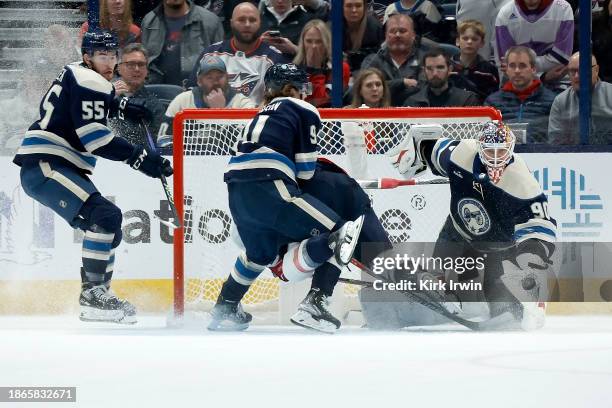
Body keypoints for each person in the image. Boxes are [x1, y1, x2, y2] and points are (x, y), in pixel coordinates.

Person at [12, 30, 173, 324]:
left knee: (110, 227)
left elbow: (79, 108)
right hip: (47, 163)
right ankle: (93, 294)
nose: (109, 62)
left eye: (113, 56)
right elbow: (94, 137)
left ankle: (100, 296)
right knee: (105, 214)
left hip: (56, 163)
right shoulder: (90, 80)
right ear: (88, 57)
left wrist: (123, 106)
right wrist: (141, 158)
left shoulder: (77, 73)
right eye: (102, 55)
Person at [208, 63, 365, 333]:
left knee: (259, 254)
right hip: (271, 185)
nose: (305, 94)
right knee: (344, 232)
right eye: (302, 88)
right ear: (291, 89)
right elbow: (305, 172)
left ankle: (224, 307)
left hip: (237, 190)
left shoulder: (259, 114)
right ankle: (315, 305)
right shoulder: (302, 108)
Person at [361, 121, 557, 330]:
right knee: (437, 287)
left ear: (511, 149)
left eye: (501, 152)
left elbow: (540, 228)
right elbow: (429, 148)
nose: (496, 158)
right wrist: (411, 153)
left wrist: (530, 258)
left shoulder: (523, 183)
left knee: (507, 312)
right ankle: (410, 309)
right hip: (457, 232)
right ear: (479, 147)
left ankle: (493, 303)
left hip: (500, 247)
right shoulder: (461, 153)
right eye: (490, 152)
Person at [187, 2, 289, 105]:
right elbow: (191, 93)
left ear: (260, 23)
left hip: (255, 118)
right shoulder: (211, 53)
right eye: (241, 20)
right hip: (211, 117)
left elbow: (278, 104)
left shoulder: (275, 59)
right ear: (231, 23)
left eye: (252, 20)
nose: (247, 24)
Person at [157, 55, 256, 146]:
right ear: (199, 81)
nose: (216, 82)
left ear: (227, 78)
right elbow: (163, 141)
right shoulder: (182, 101)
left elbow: (251, 141)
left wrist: (220, 112)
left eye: (220, 77)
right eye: (210, 78)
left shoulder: (243, 104)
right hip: (189, 162)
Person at [494, 0, 574, 92]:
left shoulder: (563, 8)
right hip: (517, 84)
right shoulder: (505, 13)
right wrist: (543, 77)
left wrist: (520, 66)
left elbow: (561, 58)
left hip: (557, 83)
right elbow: (506, 64)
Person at [141, 0, 224, 86]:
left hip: (197, 91)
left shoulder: (210, 21)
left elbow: (221, 64)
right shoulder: (149, 21)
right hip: (157, 92)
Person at [485, 46, 556, 143]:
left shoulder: (552, 101)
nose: (517, 70)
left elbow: (555, 137)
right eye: (512, 66)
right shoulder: (492, 102)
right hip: (503, 154)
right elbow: (486, 138)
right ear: (507, 69)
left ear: (533, 69)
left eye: (522, 66)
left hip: (540, 154)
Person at [360, 13, 426, 106]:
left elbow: (423, 90)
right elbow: (364, 88)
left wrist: (385, 87)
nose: (397, 35)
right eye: (392, 31)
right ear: (386, 36)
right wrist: (402, 83)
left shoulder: (425, 59)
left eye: (402, 31)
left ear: (413, 35)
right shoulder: (372, 60)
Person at [548, 52, 612, 144]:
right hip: (573, 156)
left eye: (582, 69)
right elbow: (555, 142)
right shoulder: (560, 101)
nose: (576, 76)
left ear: (596, 70)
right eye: (572, 71)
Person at [111, 43, 165, 146]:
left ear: (146, 70)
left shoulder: (154, 105)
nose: (137, 69)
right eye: (131, 64)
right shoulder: (105, 94)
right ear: (119, 68)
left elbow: (157, 143)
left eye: (141, 64)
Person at [293, 19, 351, 107]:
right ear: (303, 43)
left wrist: (316, 70)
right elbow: (305, 100)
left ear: (326, 43)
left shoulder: (340, 68)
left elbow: (324, 101)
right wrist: (310, 69)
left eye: (319, 42)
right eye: (309, 41)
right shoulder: (295, 70)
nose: (313, 46)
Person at [403, 49, 480, 107]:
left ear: (449, 69)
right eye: (429, 68)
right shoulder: (412, 103)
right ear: (424, 71)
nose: (435, 73)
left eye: (440, 67)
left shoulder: (466, 100)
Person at [450, 19, 500, 103]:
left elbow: (494, 99)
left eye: (474, 39)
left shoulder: (489, 70)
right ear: (457, 41)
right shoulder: (447, 67)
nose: (469, 42)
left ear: (482, 43)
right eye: (465, 38)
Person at [343, 0, 385, 72]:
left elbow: (382, 56)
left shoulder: (375, 26)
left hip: (369, 72)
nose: (354, 10)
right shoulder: (333, 27)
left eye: (358, 6)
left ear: (364, 7)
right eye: (349, 6)